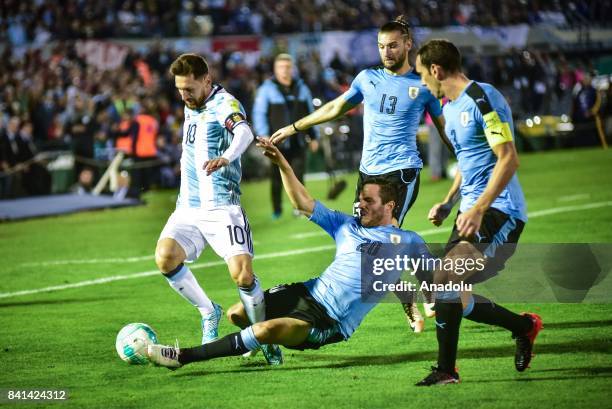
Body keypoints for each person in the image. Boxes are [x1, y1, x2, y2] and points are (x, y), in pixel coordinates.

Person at [146, 137, 435, 369]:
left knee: (263, 330)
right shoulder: (347, 225)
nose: (360, 206)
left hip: (330, 321)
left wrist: (427, 299)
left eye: (368, 201)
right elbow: (304, 202)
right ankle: (268, 345)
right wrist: (282, 163)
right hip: (307, 293)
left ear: (390, 207)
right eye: (360, 200)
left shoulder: (407, 240)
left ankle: (182, 357)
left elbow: (430, 277)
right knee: (237, 314)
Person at [270, 16, 450, 331]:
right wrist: (294, 127)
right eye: (382, 46)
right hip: (367, 174)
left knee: (389, 240)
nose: (387, 52)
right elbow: (334, 107)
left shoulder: (424, 85)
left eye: (393, 45)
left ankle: (428, 291)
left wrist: (471, 156)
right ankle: (407, 294)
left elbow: (445, 127)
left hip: (400, 173)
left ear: (408, 44)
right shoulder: (367, 78)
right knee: (369, 245)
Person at [414, 39, 543, 386]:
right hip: (470, 214)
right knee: (455, 295)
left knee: (444, 280)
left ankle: (446, 370)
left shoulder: (483, 99)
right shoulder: (450, 107)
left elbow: (508, 158)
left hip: (501, 211)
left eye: (422, 73)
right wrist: (449, 201)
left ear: (436, 70)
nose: (421, 81)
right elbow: (469, 163)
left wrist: (480, 207)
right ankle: (525, 327)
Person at [154, 53, 282, 365]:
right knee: (165, 258)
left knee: (243, 276)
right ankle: (207, 311)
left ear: (207, 81)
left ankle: (264, 337)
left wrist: (226, 156)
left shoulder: (224, 103)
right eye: (180, 89)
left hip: (222, 206)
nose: (184, 95)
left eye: (190, 89)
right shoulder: (190, 105)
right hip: (187, 208)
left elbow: (244, 133)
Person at [252, 53, 320, 219]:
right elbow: (259, 114)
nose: (285, 70)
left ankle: (301, 208)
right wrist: (264, 135)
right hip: (275, 142)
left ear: (293, 68)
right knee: (276, 178)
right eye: (281, 67)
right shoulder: (266, 89)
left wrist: (314, 136)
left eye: (288, 67)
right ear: (275, 69)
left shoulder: (302, 88)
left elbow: (310, 114)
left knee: (298, 175)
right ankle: (277, 210)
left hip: (298, 141)